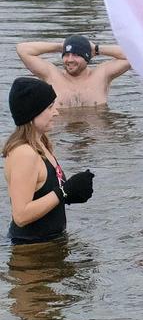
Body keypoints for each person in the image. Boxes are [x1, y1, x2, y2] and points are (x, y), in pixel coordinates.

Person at [3, 77, 95, 245]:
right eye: (50, 107)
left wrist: (71, 193)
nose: (56, 112)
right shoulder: (24, 153)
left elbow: (46, 193)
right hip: (31, 250)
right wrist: (63, 192)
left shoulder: (42, 143)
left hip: (51, 243)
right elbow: (21, 215)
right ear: (32, 113)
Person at [16, 35, 131, 107]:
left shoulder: (102, 75)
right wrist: (60, 46)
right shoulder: (52, 75)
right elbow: (22, 49)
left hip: (96, 140)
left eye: (76, 55)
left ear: (87, 57)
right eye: (66, 54)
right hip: (62, 140)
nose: (70, 60)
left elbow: (134, 55)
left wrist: (96, 49)